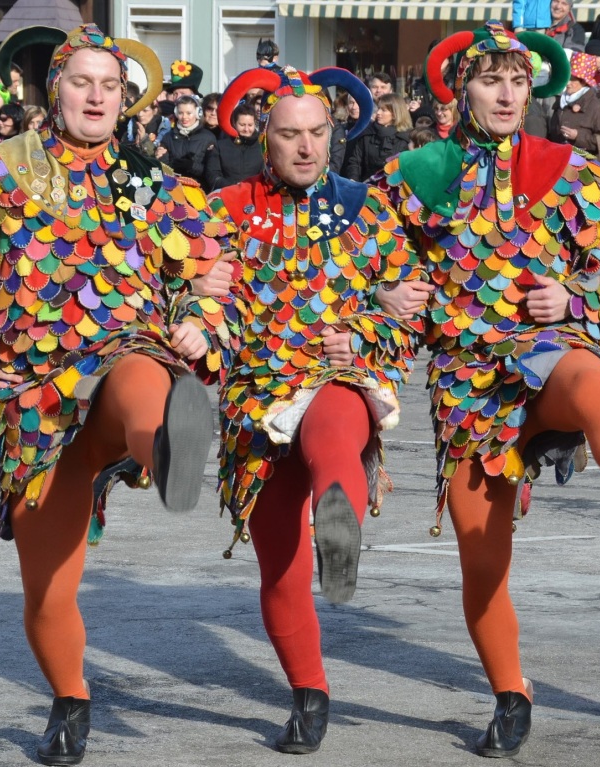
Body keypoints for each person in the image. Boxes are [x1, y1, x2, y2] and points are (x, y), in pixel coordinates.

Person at [377, 22, 600, 757]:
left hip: (545, 354)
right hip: (466, 388)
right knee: (482, 561)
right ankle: (511, 692)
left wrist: (574, 294)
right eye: (492, 80)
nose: (509, 92)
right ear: (462, 90)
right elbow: (363, 266)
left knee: (580, 373)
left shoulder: (569, 168)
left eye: (519, 80)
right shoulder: (415, 173)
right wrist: (388, 293)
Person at [0, 24, 235, 765]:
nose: (97, 95)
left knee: (141, 373)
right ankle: (71, 698)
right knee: (47, 587)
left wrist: (197, 321)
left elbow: (211, 273)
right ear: (55, 90)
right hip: (31, 393)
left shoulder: (155, 181)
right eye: (82, 82)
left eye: (112, 85)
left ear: (127, 99)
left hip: (119, 353)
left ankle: (168, 451)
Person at [209, 62, 423, 754]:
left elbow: (412, 313)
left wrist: (362, 328)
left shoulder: (366, 206)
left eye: (317, 133)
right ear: (262, 137)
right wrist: (201, 290)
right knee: (280, 564)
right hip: (256, 395)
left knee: (334, 425)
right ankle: (309, 688)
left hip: (339, 372)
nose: (305, 147)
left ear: (335, 133)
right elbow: (196, 299)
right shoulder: (229, 207)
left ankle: (342, 520)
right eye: (289, 134)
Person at [548, 50, 600, 163]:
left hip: (588, 168)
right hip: (560, 164)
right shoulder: (560, 103)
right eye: (568, 77)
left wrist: (578, 136)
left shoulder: (596, 107)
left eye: (573, 79)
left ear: (584, 82)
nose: (568, 83)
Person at [343, 92, 411, 182]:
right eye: (378, 108)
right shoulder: (368, 133)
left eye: (383, 110)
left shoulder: (405, 139)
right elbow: (355, 161)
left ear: (395, 114)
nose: (378, 112)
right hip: (366, 187)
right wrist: (353, 179)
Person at [157, 94, 216, 185]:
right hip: (174, 188)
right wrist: (160, 158)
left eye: (189, 113)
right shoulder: (168, 137)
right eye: (181, 113)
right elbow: (161, 169)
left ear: (198, 113)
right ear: (176, 113)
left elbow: (212, 171)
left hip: (198, 189)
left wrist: (191, 166)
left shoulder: (208, 137)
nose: (184, 117)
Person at [203, 102, 263, 191]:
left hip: (254, 194)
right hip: (227, 194)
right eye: (242, 125)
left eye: (250, 125)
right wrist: (235, 188)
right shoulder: (220, 146)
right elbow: (213, 175)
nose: (246, 129)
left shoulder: (262, 146)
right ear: (234, 123)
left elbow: (265, 175)